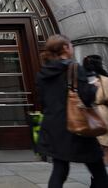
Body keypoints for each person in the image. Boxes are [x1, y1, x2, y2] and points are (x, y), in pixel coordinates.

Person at [36, 35, 108, 188]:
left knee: (60, 169)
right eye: (70, 45)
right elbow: (88, 97)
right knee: (99, 170)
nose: (72, 48)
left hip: (53, 127)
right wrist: (93, 83)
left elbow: (42, 101)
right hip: (76, 126)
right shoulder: (74, 68)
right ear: (65, 48)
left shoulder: (43, 73)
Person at [83, 55, 108, 165]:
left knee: (93, 146)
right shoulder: (104, 79)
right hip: (102, 112)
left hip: (87, 113)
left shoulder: (82, 78)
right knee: (105, 146)